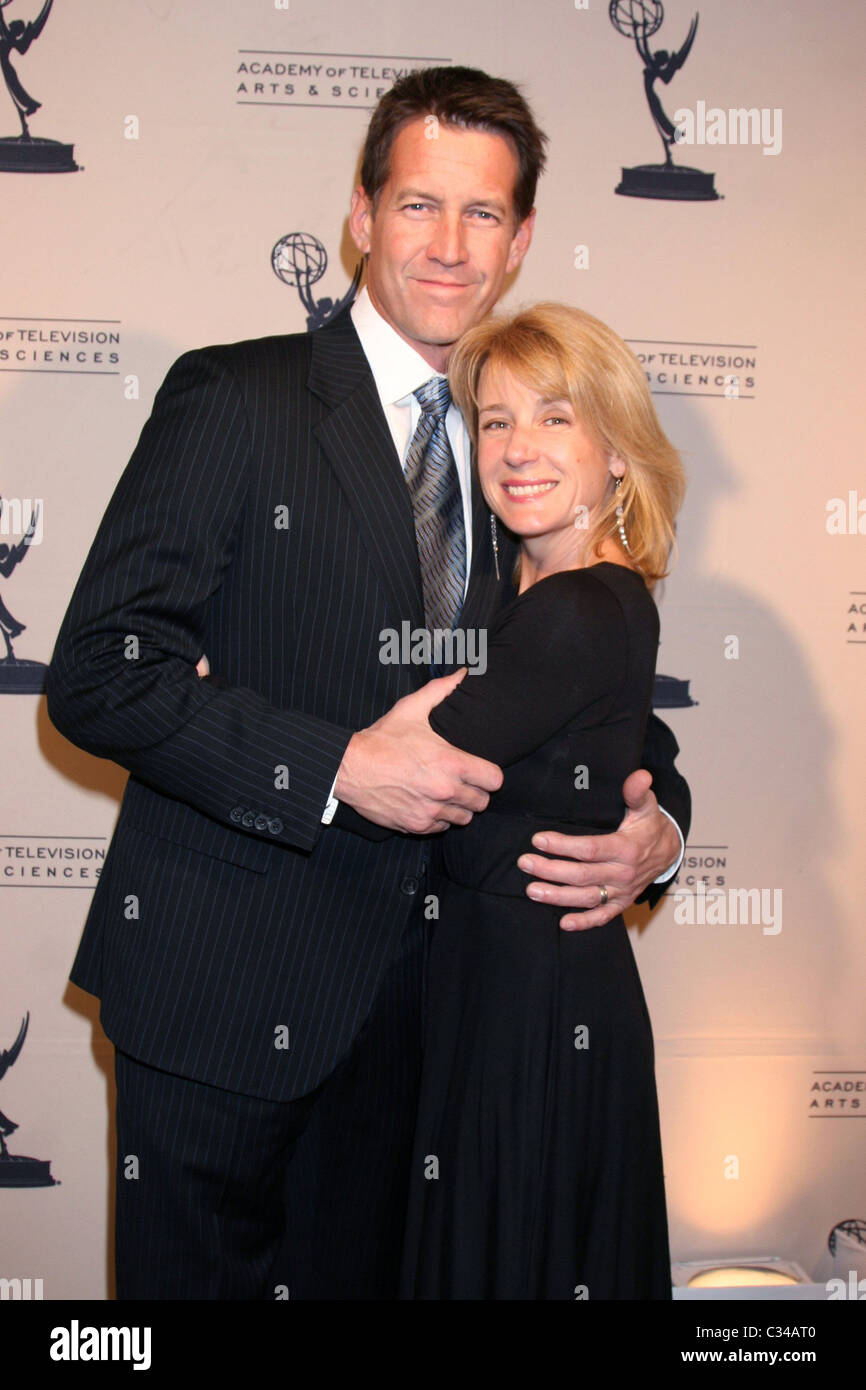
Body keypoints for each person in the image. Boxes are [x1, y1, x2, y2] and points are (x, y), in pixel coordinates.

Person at [44, 66, 689, 1300]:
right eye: (417, 205)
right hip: (228, 993)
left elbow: (596, 689)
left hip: (432, 1029)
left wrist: (656, 833)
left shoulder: (524, 452)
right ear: (359, 213)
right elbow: (97, 673)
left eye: (482, 214)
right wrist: (335, 764)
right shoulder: (238, 398)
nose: (448, 246)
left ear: (522, 240)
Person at [400, 302, 685, 1300]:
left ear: (617, 451)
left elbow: (404, 770)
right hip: (499, 985)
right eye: (493, 420)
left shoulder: (575, 608)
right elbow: (639, 749)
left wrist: (226, 695)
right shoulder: (515, 592)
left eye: (555, 417)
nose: (517, 447)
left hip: (530, 1003)